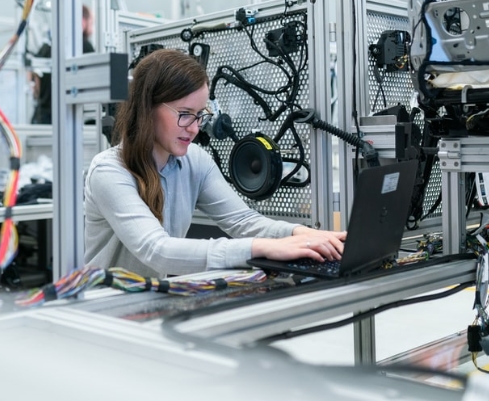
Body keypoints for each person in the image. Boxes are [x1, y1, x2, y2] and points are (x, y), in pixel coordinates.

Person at [83, 48, 346, 278]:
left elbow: (243, 221)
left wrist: (303, 234)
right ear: (147, 108)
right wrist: (261, 248)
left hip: (150, 301)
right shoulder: (109, 171)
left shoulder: (194, 161)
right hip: (105, 311)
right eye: (185, 115)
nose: (195, 128)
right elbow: (157, 250)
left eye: (200, 115)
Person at [31, 5, 95, 124]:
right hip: (68, 117)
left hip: (42, 118)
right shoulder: (84, 45)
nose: (92, 27)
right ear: (82, 21)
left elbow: (34, 82)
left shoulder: (46, 47)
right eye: (91, 22)